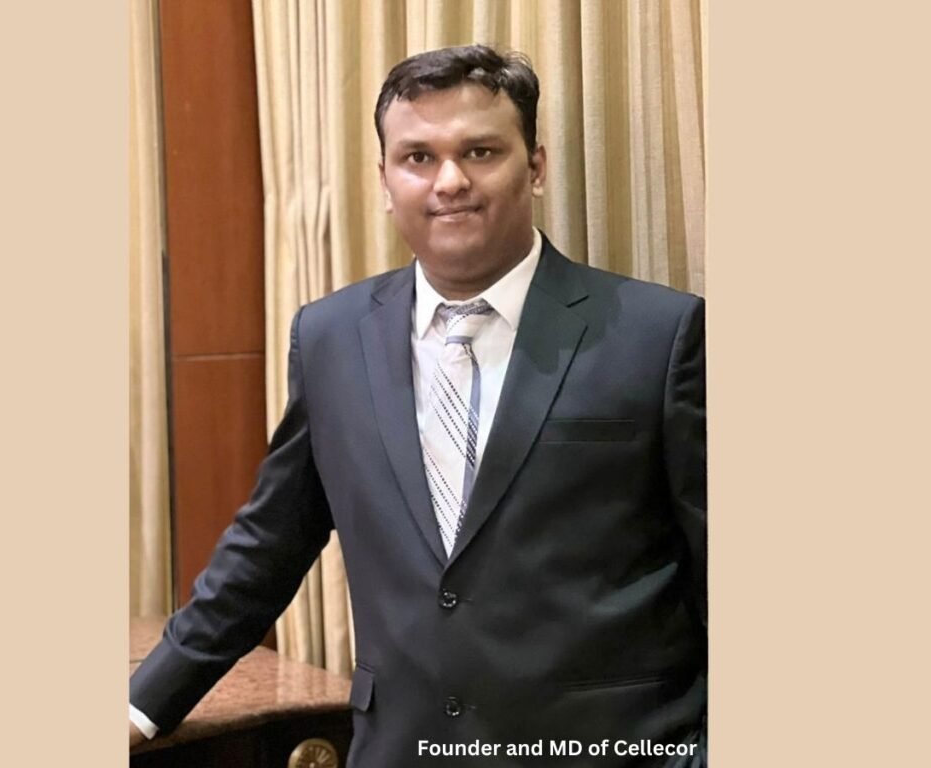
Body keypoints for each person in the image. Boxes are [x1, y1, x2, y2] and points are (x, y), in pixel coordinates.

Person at [130, 44, 706, 767]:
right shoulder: (331, 337)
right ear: (384, 180)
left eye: (481, 151)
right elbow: (266, 550)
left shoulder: (657, 334)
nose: (450, 181)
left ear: (535, 167)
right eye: (418, 158)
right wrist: (141, 707)